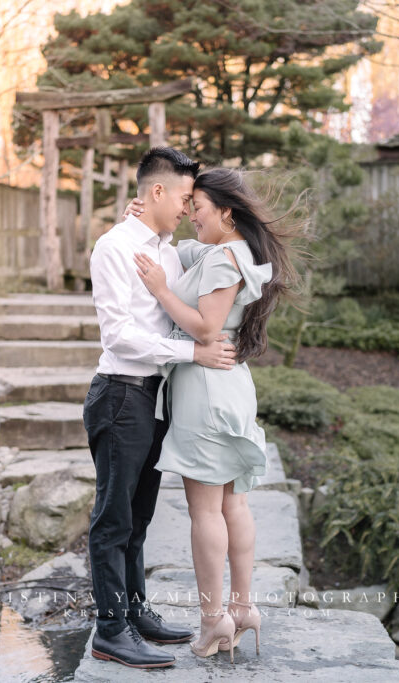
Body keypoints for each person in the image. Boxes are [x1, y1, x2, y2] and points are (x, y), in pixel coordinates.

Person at [130, 167, 297, 663]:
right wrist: (149, 222)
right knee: (233, 506)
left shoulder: (225, 258)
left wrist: (161, 289)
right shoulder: (232, 250)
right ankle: (242, 609)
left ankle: (211, 621)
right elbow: (184, 251)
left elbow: (205, 327)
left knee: (206, 510)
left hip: (206, 386)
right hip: (229, 386)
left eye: (197, 208)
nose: (190, 216)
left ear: (227, 212)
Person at [84, 147, 238, 670]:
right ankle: (110, 630)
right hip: (121, 393)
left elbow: (223, 252)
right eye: (183, 197)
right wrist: (192, 352)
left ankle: (136, 615)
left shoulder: (167, 250)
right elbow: (120, 337)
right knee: (113, 518)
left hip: (153, 398)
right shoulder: (114, 247)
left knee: (140, 517)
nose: (187, 207)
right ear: (155, 193)